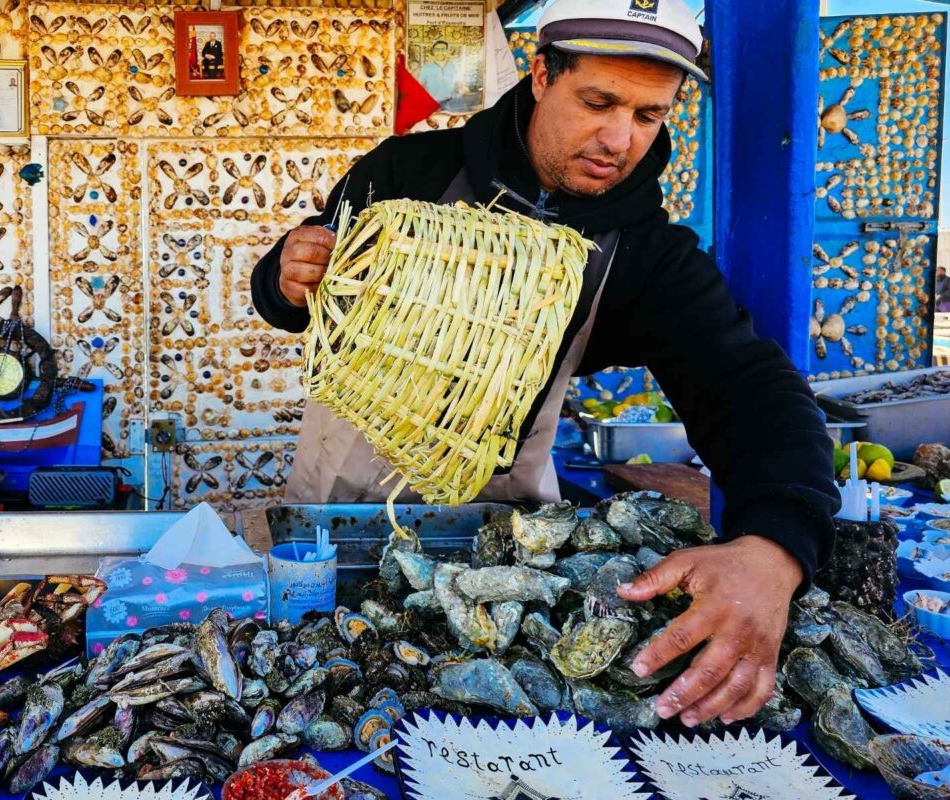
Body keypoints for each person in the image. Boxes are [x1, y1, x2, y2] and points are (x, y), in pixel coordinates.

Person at [251, 0, 840, 728]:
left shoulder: (646, 257)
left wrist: (777, 543)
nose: (619, 138)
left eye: (650, 115)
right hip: (340, 499)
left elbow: (744, 385)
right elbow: (304, 296)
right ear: (540, 74)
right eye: (598, 101)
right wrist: (283, 277)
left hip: (498, 540)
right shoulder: (405, 170)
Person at [417, 40, 465, 106]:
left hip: (452, 103)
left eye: (443, 49)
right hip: (433, 104)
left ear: (448, 51)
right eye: (437, 49)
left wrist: (461, 89)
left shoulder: (455, 66)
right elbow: (420, 86)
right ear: (433, 51)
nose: (440, 52)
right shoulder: (426, 68)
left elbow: (459, 84)